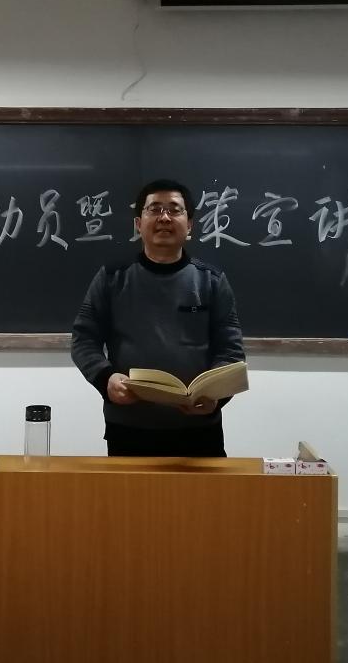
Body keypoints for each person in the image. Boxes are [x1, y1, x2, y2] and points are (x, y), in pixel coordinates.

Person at [71, 178, 245, 457]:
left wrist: (217, 397)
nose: (164, 217)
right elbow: (84, 339)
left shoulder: (211, 281)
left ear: (190, 224)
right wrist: (106, 378)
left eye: (174, 210)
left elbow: (231, 352)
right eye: (155, 209)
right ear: (138, 224)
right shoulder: (112, 277)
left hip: (199, 431)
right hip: (129, 429)